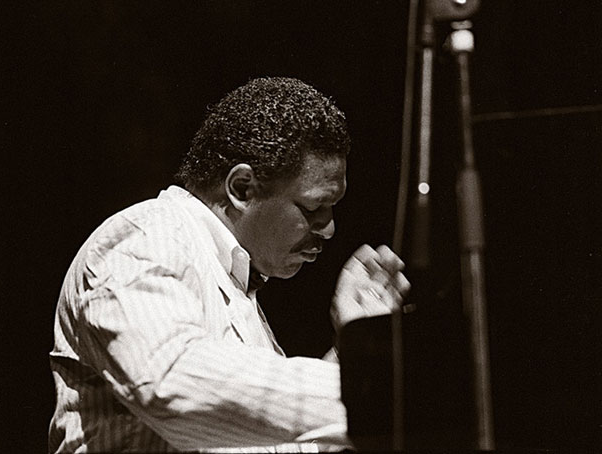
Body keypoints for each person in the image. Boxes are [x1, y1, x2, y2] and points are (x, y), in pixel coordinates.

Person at [48, 77, 410, 453]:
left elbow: (281, 442)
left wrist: (350, 349)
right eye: (313, 208)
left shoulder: (233, 283)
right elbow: (170, 384)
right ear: (241, 188)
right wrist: (368, 392)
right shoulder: (144, 238)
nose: (330, 229)